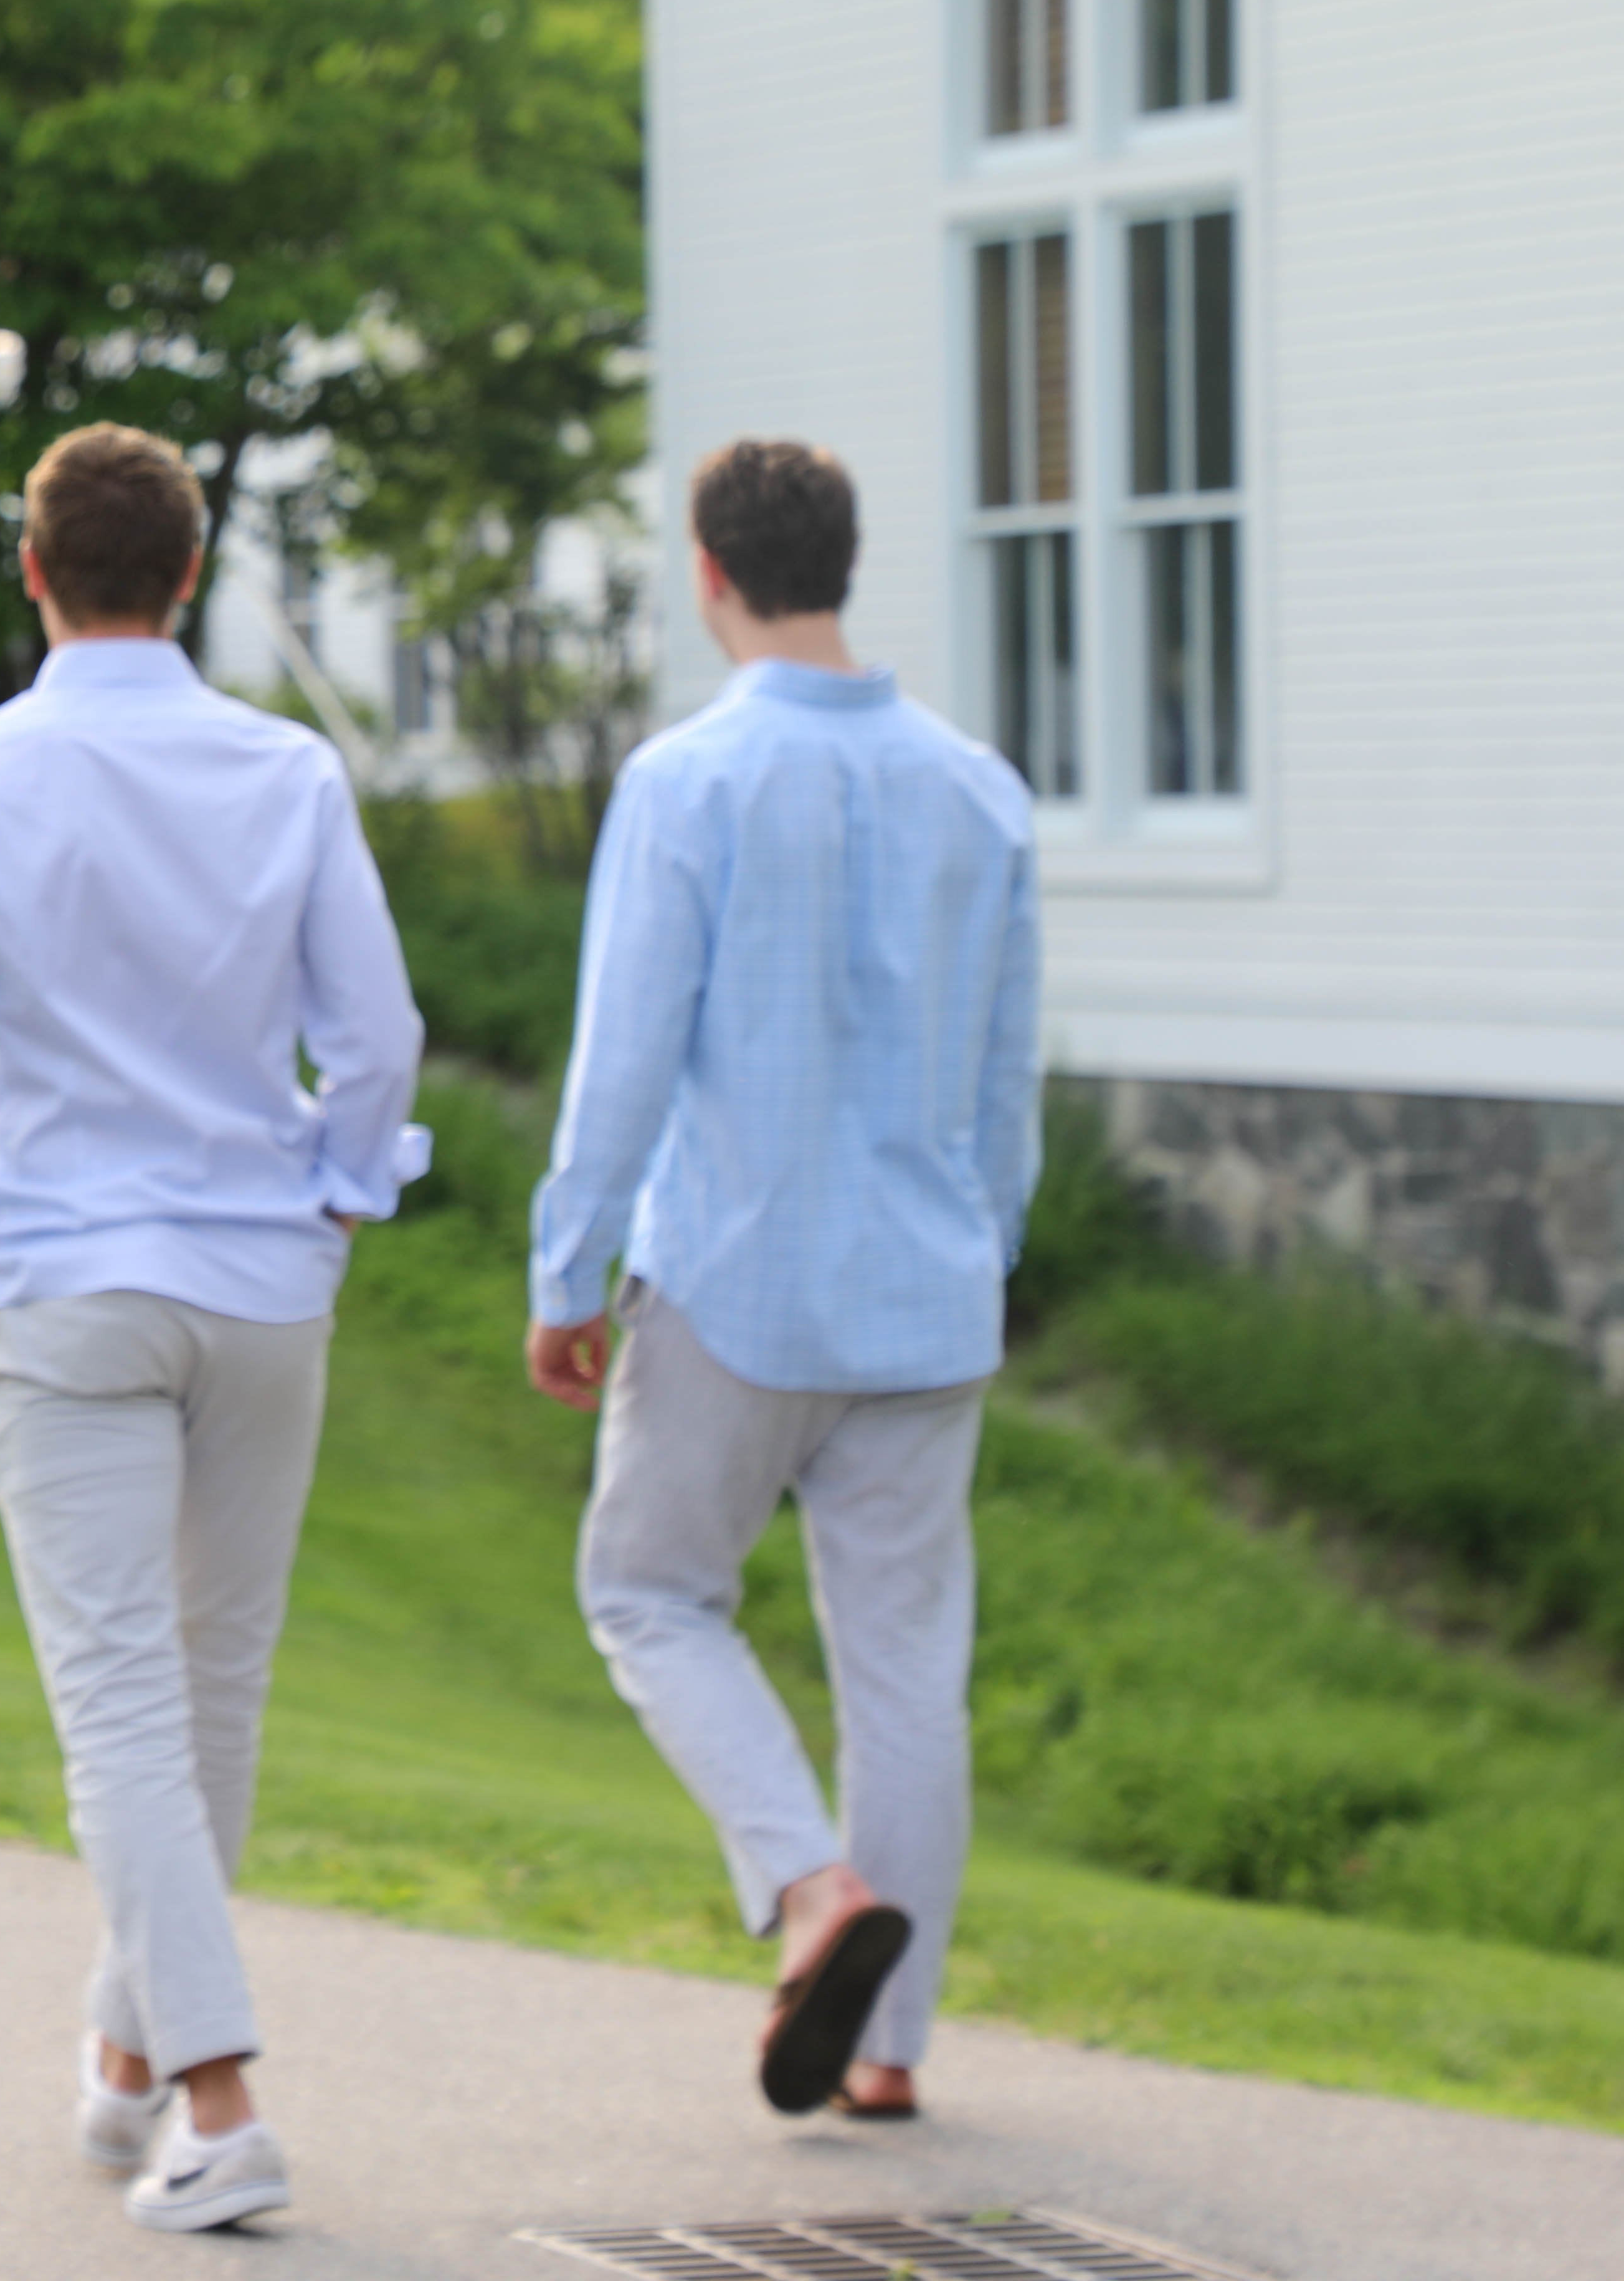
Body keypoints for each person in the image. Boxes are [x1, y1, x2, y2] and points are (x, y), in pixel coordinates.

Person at [0, 425, 429, 2237]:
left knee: (120, 1711)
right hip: (258, 1290)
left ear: (31, 571)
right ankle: (118, 2060)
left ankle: (220, 2099)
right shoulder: (286, 765)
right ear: (184, 572)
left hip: (69, 1278)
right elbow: (378, 1040)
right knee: (202, 1695)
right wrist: (334, 1191)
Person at [523, 440, 1042, 2124]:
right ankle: (890, 2054)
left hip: (737, 1285)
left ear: (707, 569)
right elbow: (1007, 1088)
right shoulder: (980, 787)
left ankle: (813, 1895)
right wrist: (988, 1257)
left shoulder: (692, 781)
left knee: (649, 1593)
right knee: (905, 1669)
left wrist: (567, 1268)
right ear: (845, 560)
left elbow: (624, 1060)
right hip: (926, 1294)